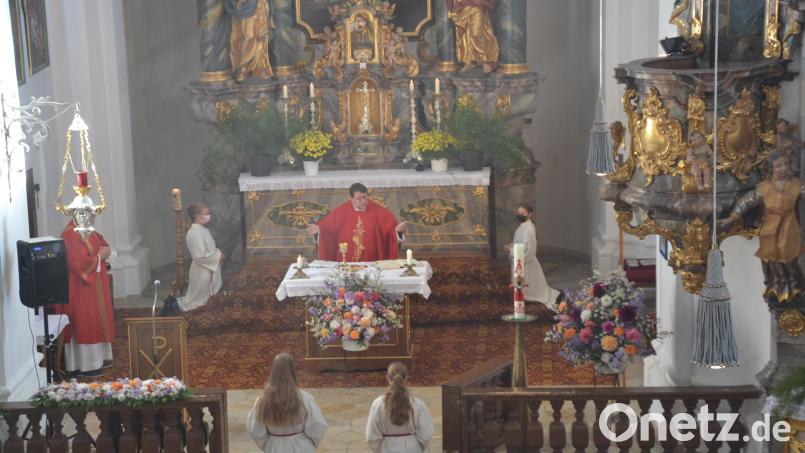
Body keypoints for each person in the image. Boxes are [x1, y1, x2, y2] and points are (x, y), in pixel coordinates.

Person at [720, 151, 805, 303]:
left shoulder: (796, 184)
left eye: (786, 164)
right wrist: (732, 217)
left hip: (789, 224)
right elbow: (746, 201)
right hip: (770, 226)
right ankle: (775, 286)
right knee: (770, 257)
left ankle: (794, 287)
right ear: (770, 169)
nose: (784, 168)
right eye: (779, 165)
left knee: (789, 256)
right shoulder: (764, 187)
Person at [56, 220, 115, 377]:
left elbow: (104, 245)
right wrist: (99, 255)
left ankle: (100, 358)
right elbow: (78, 263)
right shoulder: (69, 235)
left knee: (96, 320)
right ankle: (85, 364)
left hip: (95, 284)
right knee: (85, 322)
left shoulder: (88, 230)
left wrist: (105, 252)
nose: (90, 216)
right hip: (79, 287)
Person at [246, 353, 328, 453]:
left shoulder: (263, 400)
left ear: (273, 372)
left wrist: (268, 444)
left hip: (274, 447)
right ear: (292, 371)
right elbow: (317, 424)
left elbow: (255, 430)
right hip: (301, 447)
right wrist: (310, 443)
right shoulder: (305, 398)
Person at [306, 183, 406, 262]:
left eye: (365, 197)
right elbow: (327, 228)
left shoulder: (378, 210)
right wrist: (317, 230)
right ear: (350, 198)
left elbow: (391, 229)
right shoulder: (342, 210)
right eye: (359, 199)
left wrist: (398, 231)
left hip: (372, 259)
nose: (363, 201)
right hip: (347, 259)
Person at [365, 362, 433, 453]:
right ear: (406, 378)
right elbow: (426, 434)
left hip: (387, 449)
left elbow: (371, 436)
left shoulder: (377, 404)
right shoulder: (417, 404)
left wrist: (380, 449)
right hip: (412, 448)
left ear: (388, 378)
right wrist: (417, 447)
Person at [505, 204, 561, 309]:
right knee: (520, 287)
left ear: (529, 214)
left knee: (530, 289)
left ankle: (524, 298)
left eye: (522, 213)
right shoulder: (522, 227)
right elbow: (521, 244)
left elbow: (531, 251)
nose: (520, 215)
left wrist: (512, 251)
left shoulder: (529, 229)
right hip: (520, 261)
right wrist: (512, 247)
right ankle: (520, 297)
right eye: (518, 213)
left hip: (527, 263)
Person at [177, 202, 223, 311]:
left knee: (200, 300)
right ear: (197, 216)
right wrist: (219, 256)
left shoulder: (202, 230)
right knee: (195, 301)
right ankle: (171, 305)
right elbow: (200, 256)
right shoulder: (194, 232)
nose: (208, 216)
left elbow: (209, 249)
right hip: (202, 271)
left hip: (207, 269)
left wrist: (217, 253)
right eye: (206, 213)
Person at [447, 0, 500, 73]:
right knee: (465, 33)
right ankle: (470, 61)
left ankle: (486, 59)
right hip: (462, 6)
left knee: (476, 33)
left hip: (477, 4)